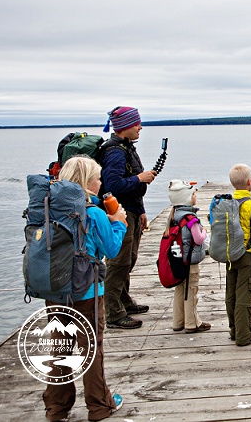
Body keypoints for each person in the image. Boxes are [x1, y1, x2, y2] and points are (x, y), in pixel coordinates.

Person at [43, 155, 127, 422]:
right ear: (87, 182)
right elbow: (111, 250)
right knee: (91, 350)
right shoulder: (93, 212)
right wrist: (119, 223)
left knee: (60, 348)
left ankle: (56, 409)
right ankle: (100, 406)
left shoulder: (49, 208)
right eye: (98, 178)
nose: (101, 182)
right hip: (87, 293)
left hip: (55, 291)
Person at [100, 106, 156, 329]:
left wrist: (141, 210)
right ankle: (113, 313)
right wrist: (140, 178)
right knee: (118, 261)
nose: (140, 127)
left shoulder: (126, 147)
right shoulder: (114, 151)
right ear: (125, 127)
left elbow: (131, 184)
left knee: (129, 259)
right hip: (118, 213)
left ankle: (124, 300)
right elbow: (112, 185)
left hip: (131, 210)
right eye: (137, 124)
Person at [225, 163, 251, 347]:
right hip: (246, 255)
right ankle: (243, 336)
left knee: (231, 293)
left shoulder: (227, 203)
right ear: (250, 183)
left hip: (229, 254)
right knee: (244, 295)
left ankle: (234, 330)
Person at [166, 180, 211, 334]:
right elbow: (198, 239)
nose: (195, 197)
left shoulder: (173, 216)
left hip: (177, 260)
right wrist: (204, 231)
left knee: (180, 290)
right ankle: (192, 323)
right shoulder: (191, 219)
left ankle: (178, 321)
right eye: (193, 194)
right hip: (190, 261)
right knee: (191, 291)